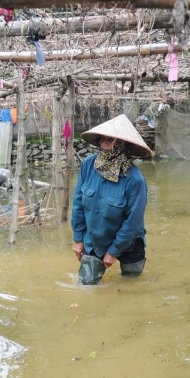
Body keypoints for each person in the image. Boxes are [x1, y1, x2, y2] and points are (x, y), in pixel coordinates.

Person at [70, 114, 153, 285]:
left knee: (132, 285)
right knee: (86, 285)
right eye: (102, 138)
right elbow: (78, 204)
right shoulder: (88, 165)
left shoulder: (135, 180)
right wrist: (78, 239)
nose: (104, 143)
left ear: (123, 145)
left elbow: (133, 221)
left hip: (128, 241)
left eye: (111, 140)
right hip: (96, 239)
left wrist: (114, 251)